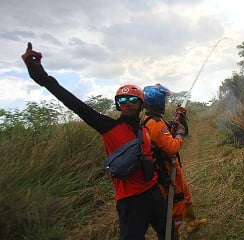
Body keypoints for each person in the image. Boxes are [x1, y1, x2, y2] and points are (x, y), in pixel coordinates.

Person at [21, 42, 167, 240]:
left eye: (132, 100)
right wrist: (39, 74)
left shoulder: (144, 130)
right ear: (117, 105)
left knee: (168, 232)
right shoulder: (108, 127)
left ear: (142, 104)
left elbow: (150, 157)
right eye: (122, 101)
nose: (126, 104)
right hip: (130, 201)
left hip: (154, 192)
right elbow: (73, 103)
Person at [142, 84, 205, 239]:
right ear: (158, 101)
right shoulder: (155, 124)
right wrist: (180, 135)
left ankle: (192, 223)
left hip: (171, 167)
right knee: (176, 203)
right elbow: (171, 146)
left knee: (186, 196)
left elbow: (163, 138)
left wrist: (177, 121)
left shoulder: (151, 120)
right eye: (163, 99)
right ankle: (173, 234)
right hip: (166, 170)